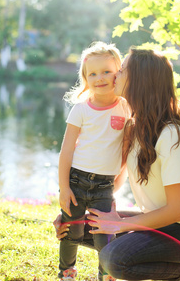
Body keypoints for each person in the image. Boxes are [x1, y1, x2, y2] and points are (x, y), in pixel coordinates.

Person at [55, 48, 180, 281]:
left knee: (114, 259)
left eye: (123, 70)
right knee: (76, 228)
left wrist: (119, 224)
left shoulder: (171, 134)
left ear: (139, 79)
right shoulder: (134, 125)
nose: (116, 74)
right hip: (158, 221)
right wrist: (74, 211)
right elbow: (114, 174)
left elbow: (176, 210)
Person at [57, 41, 130, 281]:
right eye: (93, 74)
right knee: (72, 231)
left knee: (104, 234)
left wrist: (117, 182)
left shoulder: (125, 108)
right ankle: (67, 271)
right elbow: (66, 151)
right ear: (86, 78)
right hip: (76, 180)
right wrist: (64, 188)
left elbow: (126, 152)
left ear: (119, 72)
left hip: (104, 187)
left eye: (107, 71)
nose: (100, 78)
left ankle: (106, 274)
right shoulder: (80, 110)